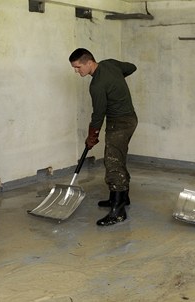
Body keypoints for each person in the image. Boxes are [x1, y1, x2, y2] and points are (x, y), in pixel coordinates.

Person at [69, 48, 138, 226]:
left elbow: (98, 114)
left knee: (112, 162)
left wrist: (92, 135)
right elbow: (131, 67)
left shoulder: (97, 85)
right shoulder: (110, 64)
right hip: (130, 119)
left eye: (78, 67)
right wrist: (117, 82)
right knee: (119, 158)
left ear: (89, 62)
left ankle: (118, 210)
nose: (77, 71)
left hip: (119, 124)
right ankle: (123, 197)